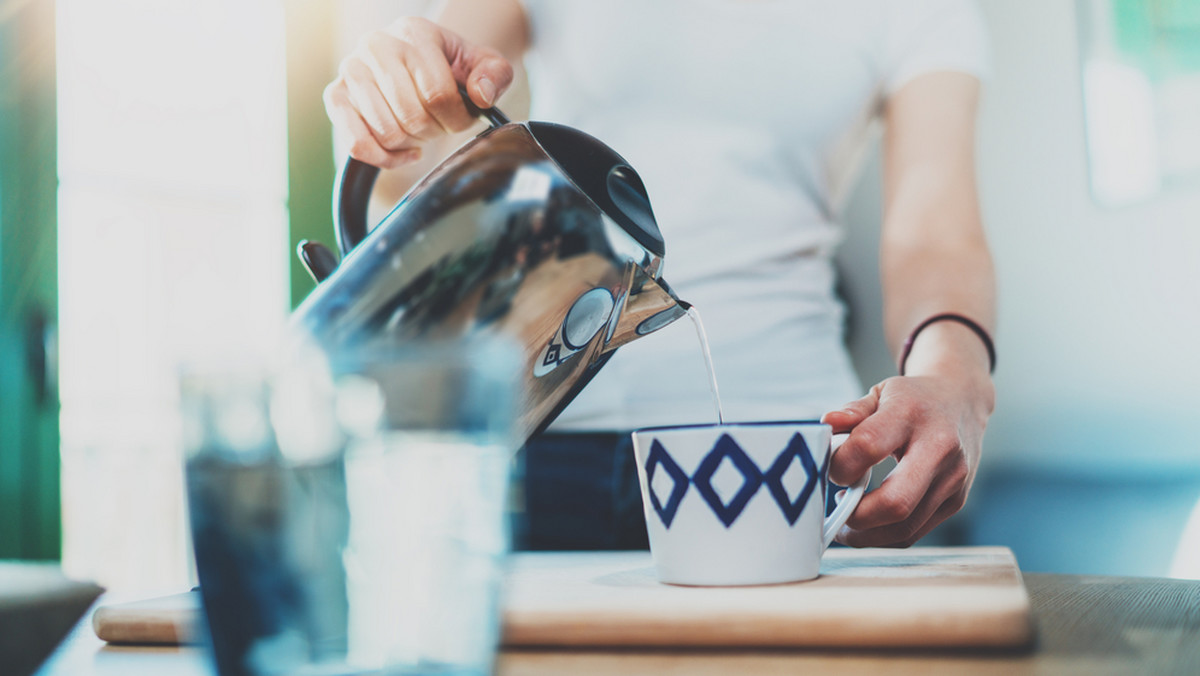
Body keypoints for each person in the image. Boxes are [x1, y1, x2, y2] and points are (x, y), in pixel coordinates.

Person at [323, 0, 997, 550]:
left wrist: (955, 376)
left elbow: (932, 233)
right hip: (540, 445)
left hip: (786, 450)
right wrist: (396, 96)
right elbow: (414, 158)